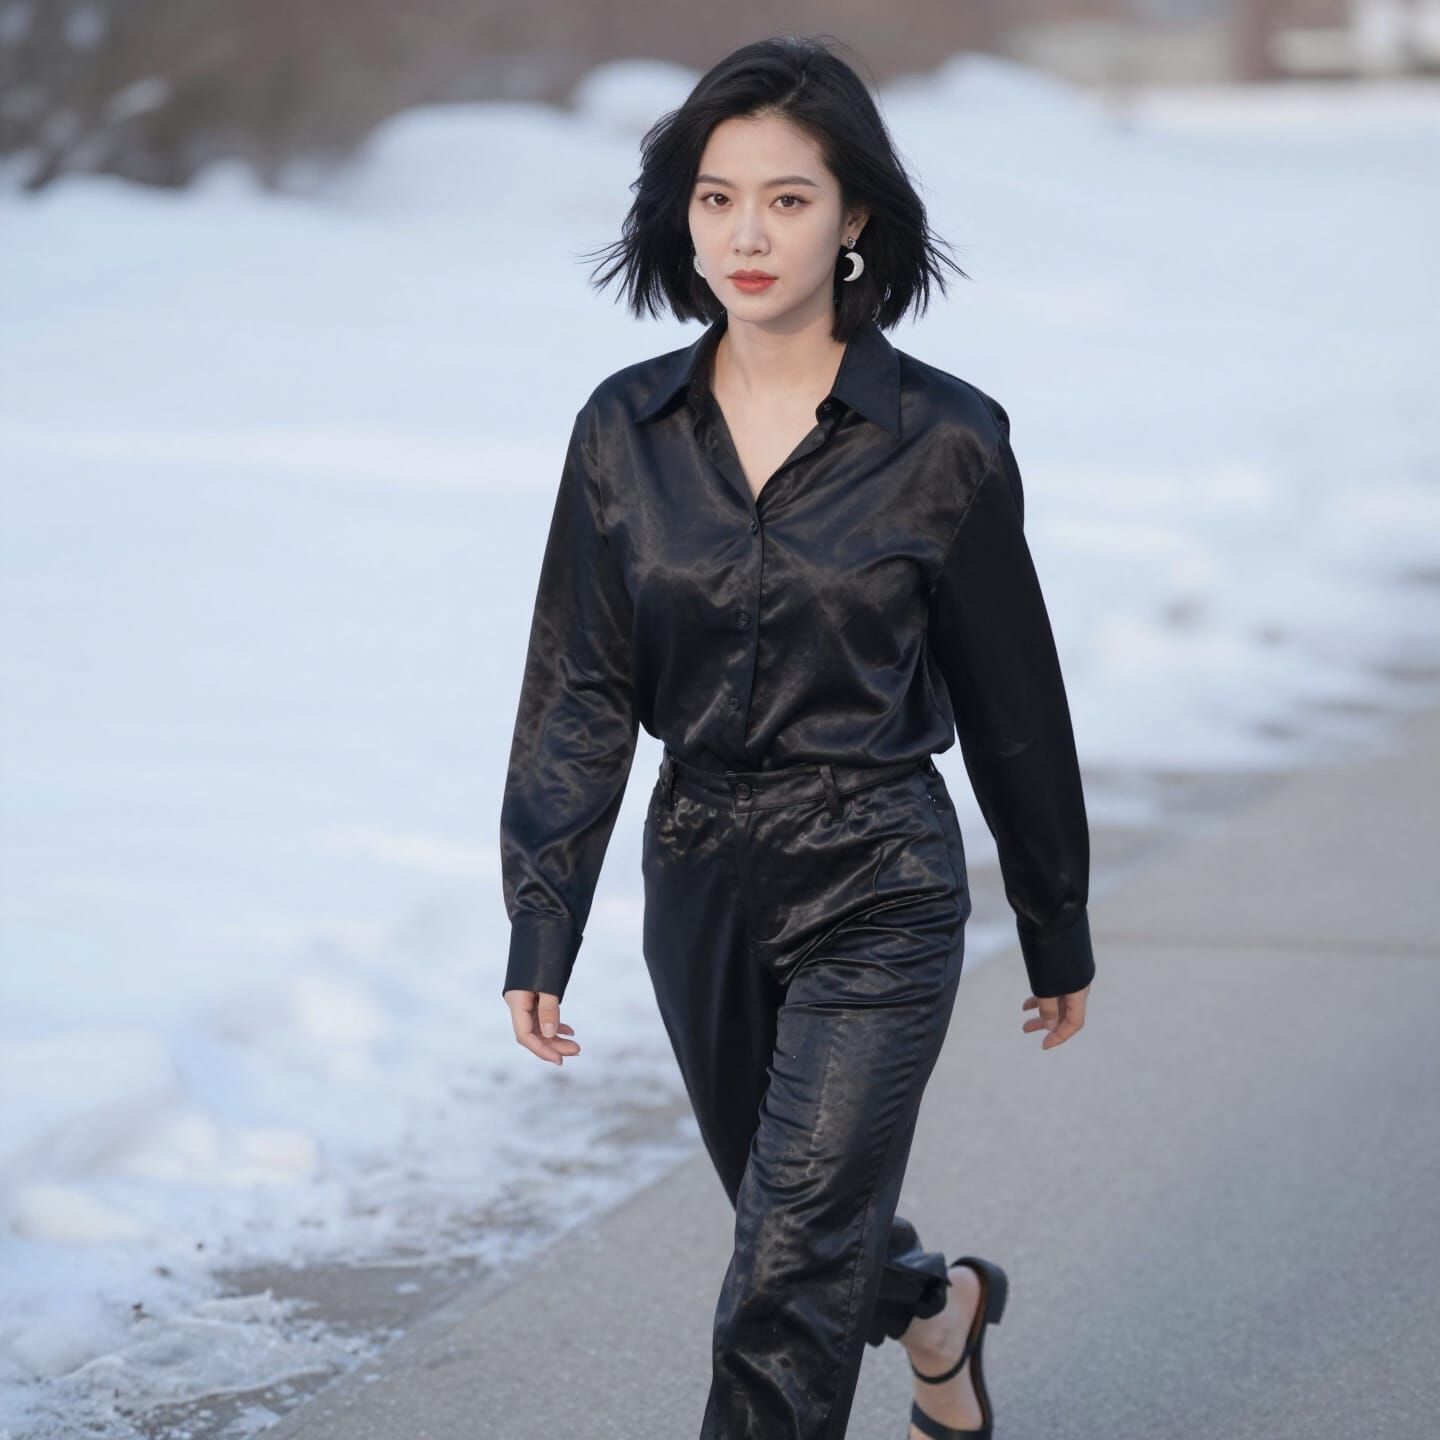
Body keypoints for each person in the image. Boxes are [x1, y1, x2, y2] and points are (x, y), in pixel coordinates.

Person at [498, 34, 1094, 1440]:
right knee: (801, 1226)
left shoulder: (943, 439)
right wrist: (542, 917)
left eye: (787, 198)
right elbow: (579, 686)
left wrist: (1055, 916)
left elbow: (1015, 698)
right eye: (716, 198)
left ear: (854, 220)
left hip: (876, 872)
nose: (747, 234)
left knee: (780, 1275)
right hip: (699, 868)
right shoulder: (622, 431)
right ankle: (936, 1305)